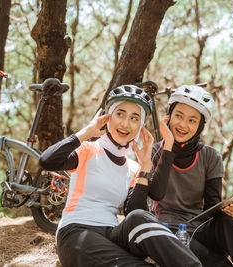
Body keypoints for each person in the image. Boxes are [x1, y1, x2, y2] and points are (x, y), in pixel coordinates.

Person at [39, 85, 202, 267]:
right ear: (108, 117)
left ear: (140, 126)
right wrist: (88, 132)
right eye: (120, 114)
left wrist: (146, 164)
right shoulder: (88, 150)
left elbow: (134, 212)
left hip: (113, 235)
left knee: (139, 216)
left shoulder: (133, 167)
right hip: (77, 232)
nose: (125, 124)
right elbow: (47, 161)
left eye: (134, 118)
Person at [125, 85, 233, 267]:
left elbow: (212, 207)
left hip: (200, 229)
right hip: (168, 230)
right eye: (178, 115)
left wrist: (228, 210)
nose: (182, 124)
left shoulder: (211, 156)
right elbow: (154, 196)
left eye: (192, 120)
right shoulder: (154, 151)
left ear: (199, 126)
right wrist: (169, 147)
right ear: (169, 116)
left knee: (228, 222)